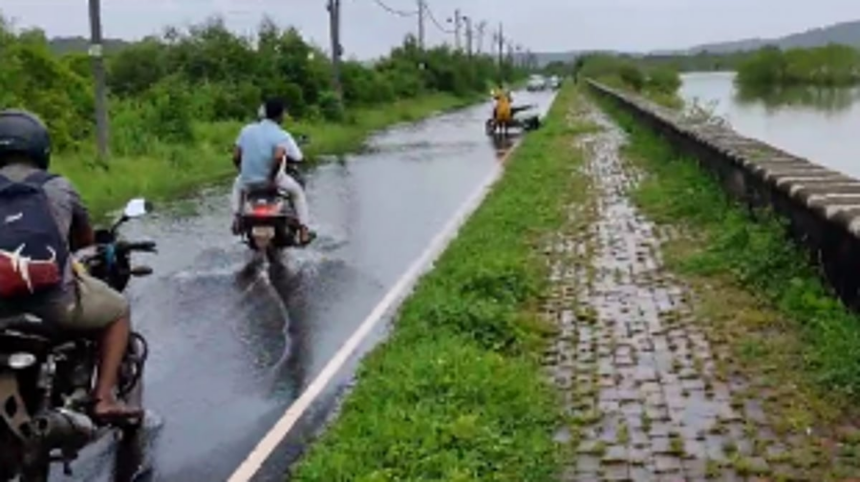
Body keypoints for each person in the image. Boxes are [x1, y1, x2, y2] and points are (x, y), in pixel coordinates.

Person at [0, 109, 142, 423]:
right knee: (118, 310)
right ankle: (104, 398)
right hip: (54, 305)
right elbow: (84, 241)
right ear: (40, 147)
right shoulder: (59, 186)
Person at [230, 98, 313, 245]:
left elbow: (236, 156)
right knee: (297, 193)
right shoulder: (281, 135)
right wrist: (271, 178)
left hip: (248, 181)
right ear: (280, 115)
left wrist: (243, 172)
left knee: (237, 186)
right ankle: (304, 230)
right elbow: (286, 157)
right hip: (273, 181)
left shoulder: (246, 130)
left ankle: (237, 219)